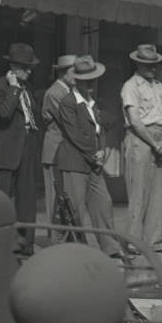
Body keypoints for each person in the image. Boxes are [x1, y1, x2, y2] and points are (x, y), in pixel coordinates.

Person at [55, 56, 122, 259]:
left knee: (103, 202)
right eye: (86, 80)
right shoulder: (68, 102)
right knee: (74, 207)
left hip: (93, 162)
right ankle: (73, 248)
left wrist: (101, 151)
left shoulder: (92, 103)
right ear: (76, 81)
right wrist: (95, 154)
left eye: (93, 79)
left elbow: (99, 131)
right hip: (75, 161)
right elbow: (74, 134)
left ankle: (110, 246)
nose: (91, 84)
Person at [0, 43, 43, 256]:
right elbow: (3, 114)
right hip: (7, 150)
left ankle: (25, 246)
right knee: (2, 200)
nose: (29, 71)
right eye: (25, 67)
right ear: (12, 66)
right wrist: (14, 88)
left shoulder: (27, 86)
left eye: (30, 67)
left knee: (27, 200)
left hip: (28, 146)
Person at [120, 43, 162, 254]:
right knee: (138, 193)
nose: (154, 68)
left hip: (160, 139)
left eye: (156, 64)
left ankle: (154, 240)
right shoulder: (131, 86)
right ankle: (134, 241)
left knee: (159, 194)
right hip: (141, 139)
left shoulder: (158, 86)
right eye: (148, 65)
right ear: (138, 64)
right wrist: (154, 143)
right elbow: (134, 120)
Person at [40, 54, 77, 231]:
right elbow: (69, 120)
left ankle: (63, 232)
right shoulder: (55, 92)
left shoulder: (69, 92)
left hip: (64, 149)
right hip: (54, 149)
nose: (77, 76)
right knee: (54, 195)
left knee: (64, 194)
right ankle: (55, 234)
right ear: (64, 73)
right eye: (74, 71)